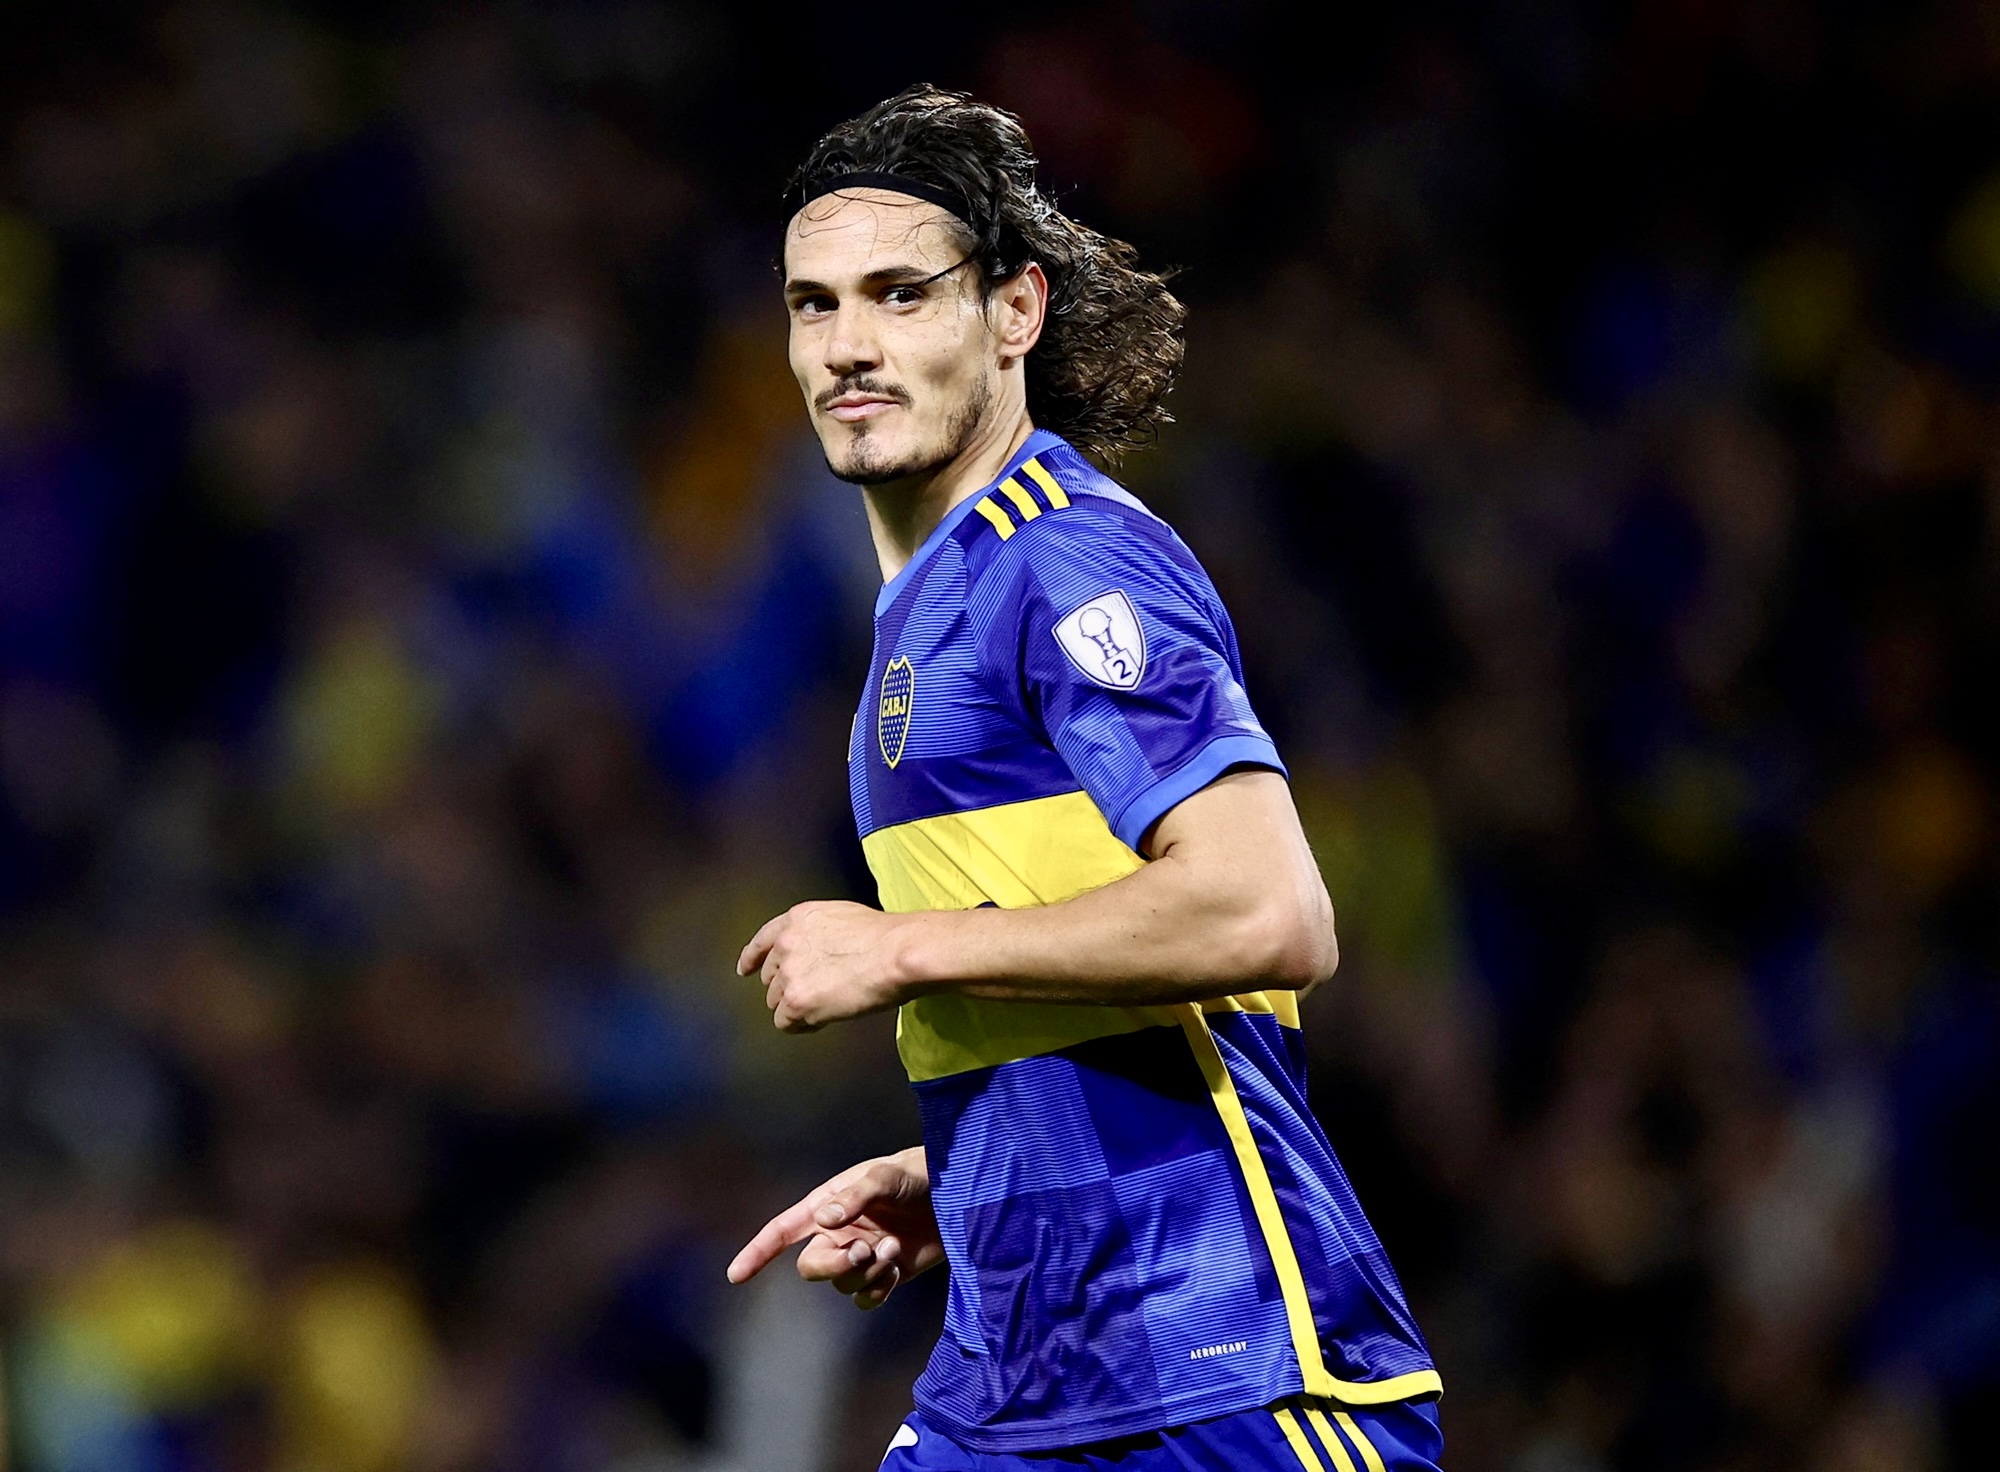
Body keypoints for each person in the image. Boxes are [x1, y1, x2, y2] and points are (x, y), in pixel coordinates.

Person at [725, 86, 1443, 1472]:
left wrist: (896, 950)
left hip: (1217, 1372)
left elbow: (1266, 911)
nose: (848, 345)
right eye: (815, 305)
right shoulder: (933, 600)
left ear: (1014, 311)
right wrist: (971, 1175)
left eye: (900, 294)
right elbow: (1117, 983)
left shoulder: (1064, 558)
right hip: (1026, 1364)